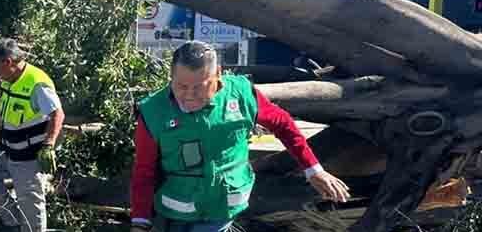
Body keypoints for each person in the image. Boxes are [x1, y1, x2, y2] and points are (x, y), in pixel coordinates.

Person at [131, 41, 351, 232]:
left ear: (218, 73)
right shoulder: (153, 112)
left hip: (222, 209)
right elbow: (144, 172)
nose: (189, 95)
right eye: (180, 86)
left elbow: (283, 124)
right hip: (175, 211)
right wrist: (140, 222)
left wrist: (313, 170)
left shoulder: (242, 95)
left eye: (199, 87)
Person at [0, 39, 64, 232]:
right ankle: (13, 222)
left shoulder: (37, 83)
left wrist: (49, 145)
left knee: (30, 202)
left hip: (28, 155)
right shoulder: (8, 79)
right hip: (7, 148)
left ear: (8, 62)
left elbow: (57, 114)